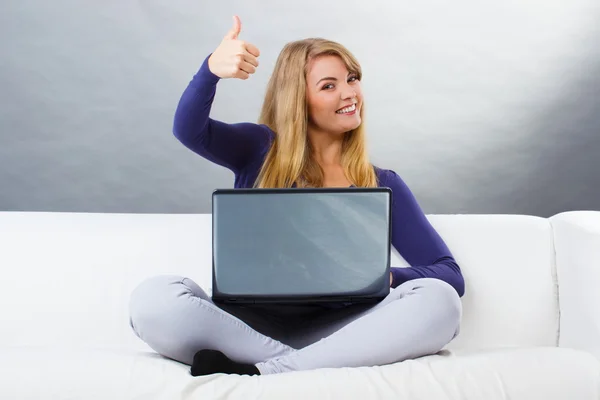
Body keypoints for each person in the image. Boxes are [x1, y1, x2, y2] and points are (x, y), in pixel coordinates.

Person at [129, 15, 465, 376]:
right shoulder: (257, 149)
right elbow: (188, 130)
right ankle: (296, 364)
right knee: (154, 299)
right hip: (246, 329)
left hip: (346, 330)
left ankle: (267, 371)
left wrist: (387, 277)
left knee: (439, 301)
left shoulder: (382, 181)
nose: (349, 93)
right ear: (298, 100)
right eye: (329, 86)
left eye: (352, 79)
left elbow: (450, 276)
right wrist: (211, 69)